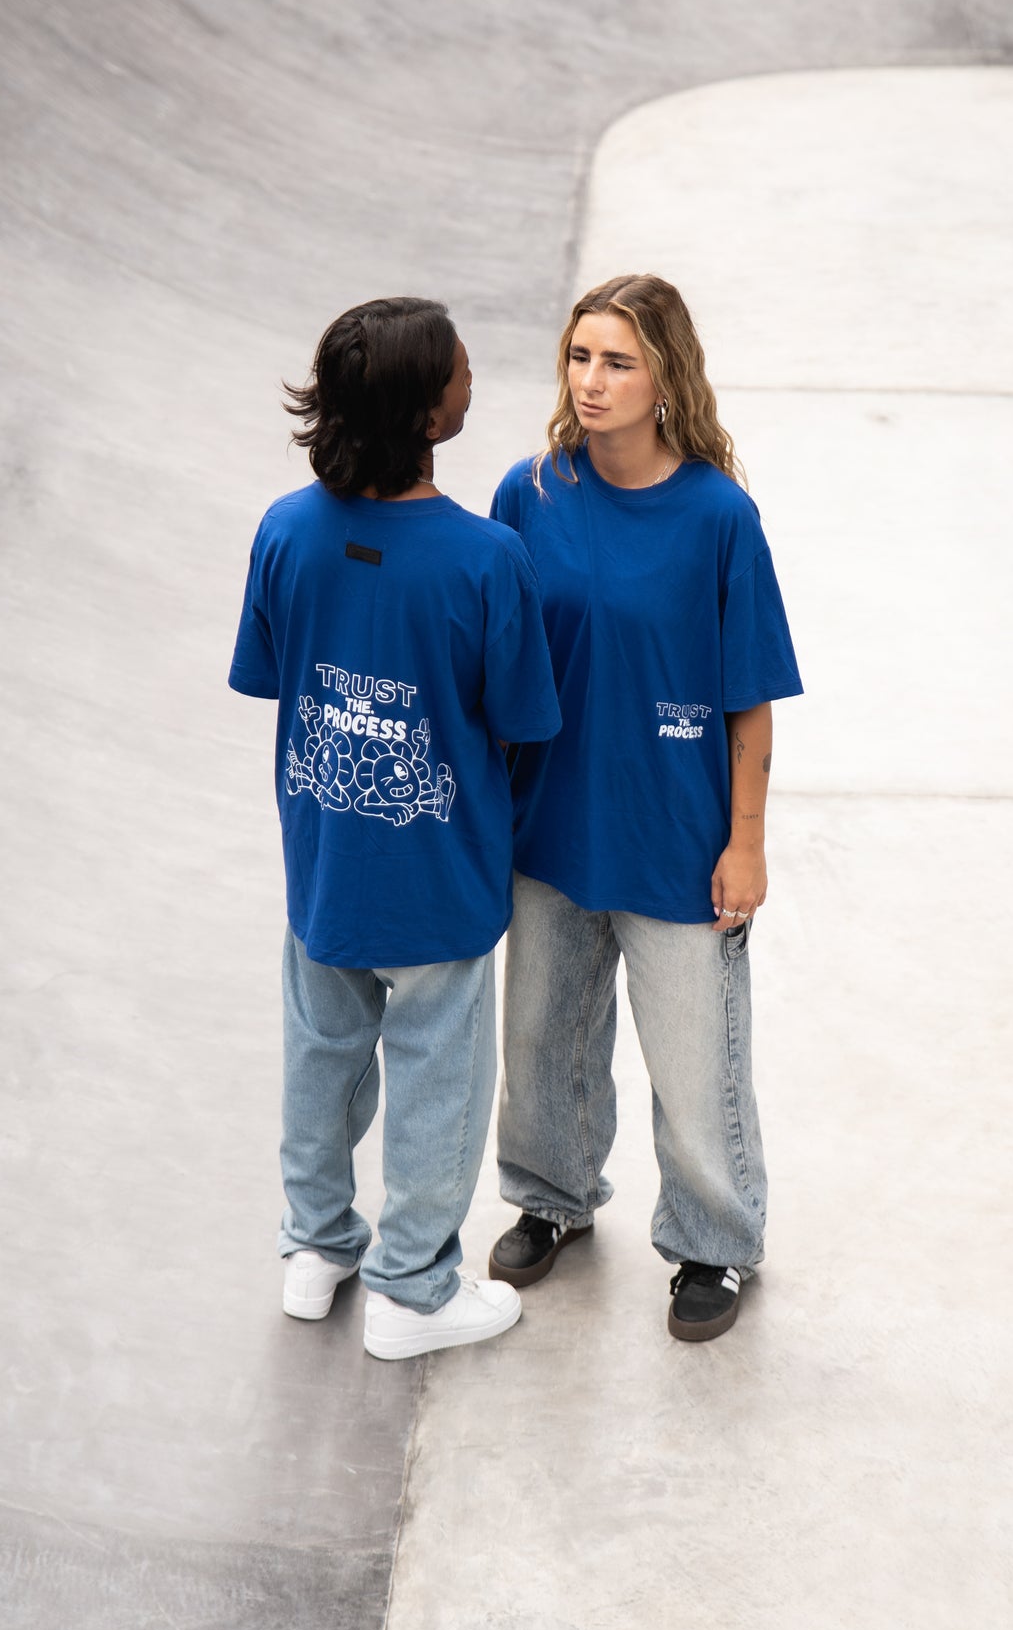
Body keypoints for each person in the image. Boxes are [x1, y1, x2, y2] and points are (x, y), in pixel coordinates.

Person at [229, 297, 561, 1360]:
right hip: (438, 884)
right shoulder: (485, 558)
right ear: (427, 412)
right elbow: (520, 721)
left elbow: (277, 675)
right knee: (435, 1078)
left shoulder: (285, 528)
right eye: (461, 369)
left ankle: (316, 1247)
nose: (474, 376)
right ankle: (412, 1290)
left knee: (319, 1055)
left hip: (323, 872)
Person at [487, 274, 802, 1342]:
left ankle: (713, 1242)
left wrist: (744, 844)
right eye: (579, 356)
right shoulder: (527, 493)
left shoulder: (717, 515)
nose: (591, 380)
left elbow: (749, 699)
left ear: (664, 375)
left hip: (673, 837)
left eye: (617, 361)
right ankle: (549, 1194)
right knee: (539, 1039)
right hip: (549, 828)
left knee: (692, 1058)